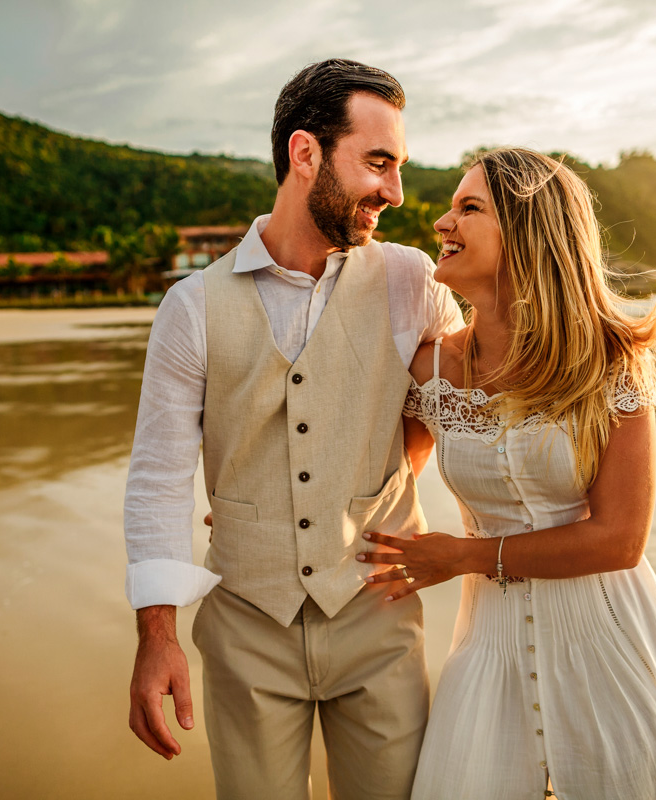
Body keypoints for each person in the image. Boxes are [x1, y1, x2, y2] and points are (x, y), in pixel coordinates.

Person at [122, 59, 463, 799]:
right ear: (305, 154)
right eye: (378, 163)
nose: (397, 194)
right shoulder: (190, 308)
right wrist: (157, 636)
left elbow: (444, 410)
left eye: (397, 166)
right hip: (247, 628)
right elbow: (157, 478)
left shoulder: (417, 284)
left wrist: (367, 488)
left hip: (377, 616)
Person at [358, 148, 656, 799]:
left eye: (469, 208)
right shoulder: (430, 370)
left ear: (525, 232)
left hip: (610, 647)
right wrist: (265, 492)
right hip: (485, 652)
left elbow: (620, 540)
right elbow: (370, 468)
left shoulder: (608, 362)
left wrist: (462, 556)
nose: (441, 223)